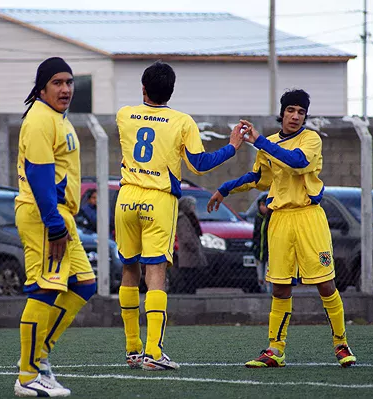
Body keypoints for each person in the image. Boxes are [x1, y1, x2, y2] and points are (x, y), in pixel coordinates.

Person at [207, 89, 357, 368]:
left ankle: (341, 344)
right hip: (280, 221)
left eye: (301, 112)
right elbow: (258, 178)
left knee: (325, 283)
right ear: (283, 112)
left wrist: (260, 141)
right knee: (279, 286)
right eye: (291, 110)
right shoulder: (270, 143)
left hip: (309, 218)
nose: (296, 116)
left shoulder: (310, 139)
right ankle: (275, 350)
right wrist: (224, 189)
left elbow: (298, 163)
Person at [115, 61, 246, 371]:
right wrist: (231, 147)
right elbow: (199, 164)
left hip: (126, 196)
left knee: (129, 270)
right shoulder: (182, 121)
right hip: (158, 199)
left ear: (143, 89)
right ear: (171, 91)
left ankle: (132, 349)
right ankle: (153, 352)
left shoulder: (124, 115)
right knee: (156, 273)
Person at [14, 57, 97, 397]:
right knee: (45, 289)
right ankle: (28, 375)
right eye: (57, 83)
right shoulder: (39, 119)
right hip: (43, 216)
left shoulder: (57, 118)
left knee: (83, 284)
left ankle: (40, 357)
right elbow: (38, 174)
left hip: (60, 215)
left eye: (69, 82)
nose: (65, 89)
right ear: (42, 87)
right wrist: (52, 222)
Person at [174, 196, 208, 293]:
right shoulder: (183, 219)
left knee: (193, 279)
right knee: (188, 279)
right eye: (193, 205)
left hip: (192, 253)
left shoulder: (190, 218)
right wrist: (194, 247)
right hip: (188, 254)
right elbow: (186, 237)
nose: (194, 207)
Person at [253, 194, 271, 294]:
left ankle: (269, 293)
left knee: (267, 276)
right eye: (261, 205)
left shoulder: (272, 218)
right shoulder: (258, 217)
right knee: (260, 276)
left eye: (265, 205)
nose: (263, 208)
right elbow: (255, 234)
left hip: (269, 251)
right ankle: (262, 290)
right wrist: (255, 246)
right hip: (259, 250)